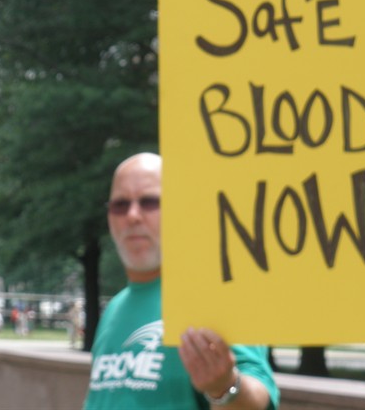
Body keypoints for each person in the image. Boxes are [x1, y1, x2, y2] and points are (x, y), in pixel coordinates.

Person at [84, 153, 279, 409]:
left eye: (150, 202)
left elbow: (259, 398)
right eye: (120, 205)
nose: (132, 215)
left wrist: (225, 387)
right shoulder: (114, 309)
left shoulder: (216, 295)